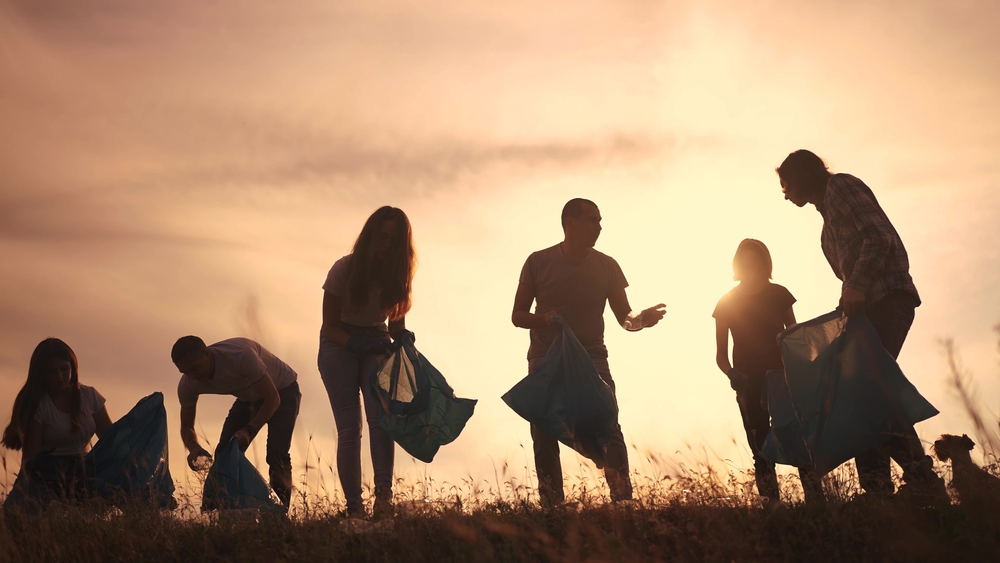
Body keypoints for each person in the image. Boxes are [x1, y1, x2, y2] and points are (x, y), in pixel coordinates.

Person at [776, 149, 947, 500]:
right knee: (861, 394)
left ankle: (920, 480)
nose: (784, 192)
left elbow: (878, 236)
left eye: (786, 183)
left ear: (803, 176)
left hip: (887, 300)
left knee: (866, 390)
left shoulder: (840, 187)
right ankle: (881, 491)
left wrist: (856, 284)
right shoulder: (826, 230)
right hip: (869, 310)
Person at [511, 198, 666, 506]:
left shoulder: (607, 265)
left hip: (592, 355)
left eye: (599, 220)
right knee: (543, 428)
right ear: (570, 224)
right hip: (546, 356)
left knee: (607, 420)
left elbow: (626, 318)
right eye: (592, 220)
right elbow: (517, 316)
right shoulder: (537, 262)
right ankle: (552, 504)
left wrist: (642, 321)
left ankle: (623, 501)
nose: (599, 226)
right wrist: (543, 319)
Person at [318, 206, 417, 518]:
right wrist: (354, 342)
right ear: (370, 236)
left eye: (394, 240)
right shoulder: (343, 270)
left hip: (376, 341)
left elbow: (396, 324)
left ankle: (383, 499)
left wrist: (402, 339)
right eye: (382, 236)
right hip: (339, 345)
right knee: (350, 428)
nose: (386, 245)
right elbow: (329, 326)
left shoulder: (397, 278)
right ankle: (354, 508)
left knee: (381, 420)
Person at [713, 239, 824, 504]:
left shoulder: (779, 294)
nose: (751, 266)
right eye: (745, 261)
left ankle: (816, 504)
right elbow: (720, 355)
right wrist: (732, 374)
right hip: (747, 383)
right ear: (737, 264)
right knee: (760, 448)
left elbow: (795, 337)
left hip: (783, 378)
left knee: (799, 441)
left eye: (756, 261)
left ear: (765, 264)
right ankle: (772, 508)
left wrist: (801, 370)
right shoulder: (726, 302)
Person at [171, 335, 300, 506]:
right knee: (225, 451)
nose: (192, 376)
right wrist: (194, 448)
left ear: (207, 353)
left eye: (194, 368)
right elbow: (187, 426)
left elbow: (273, 399)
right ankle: (224, 513)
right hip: (248, 397)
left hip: (282, 390)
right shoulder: (188, 384)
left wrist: (249, 430)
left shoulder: (241, 355)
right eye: (185, 372)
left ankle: (280, 515)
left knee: (276, 453)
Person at [2, 338, 112, 501]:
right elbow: (30, 461)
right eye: (53, 372)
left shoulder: (90, 396)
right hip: (48, 477)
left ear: (73, 367)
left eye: (64, 369)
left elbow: (112, 440)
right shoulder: (39, 405)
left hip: (85, 473)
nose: (60, 376)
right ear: (43, 374)